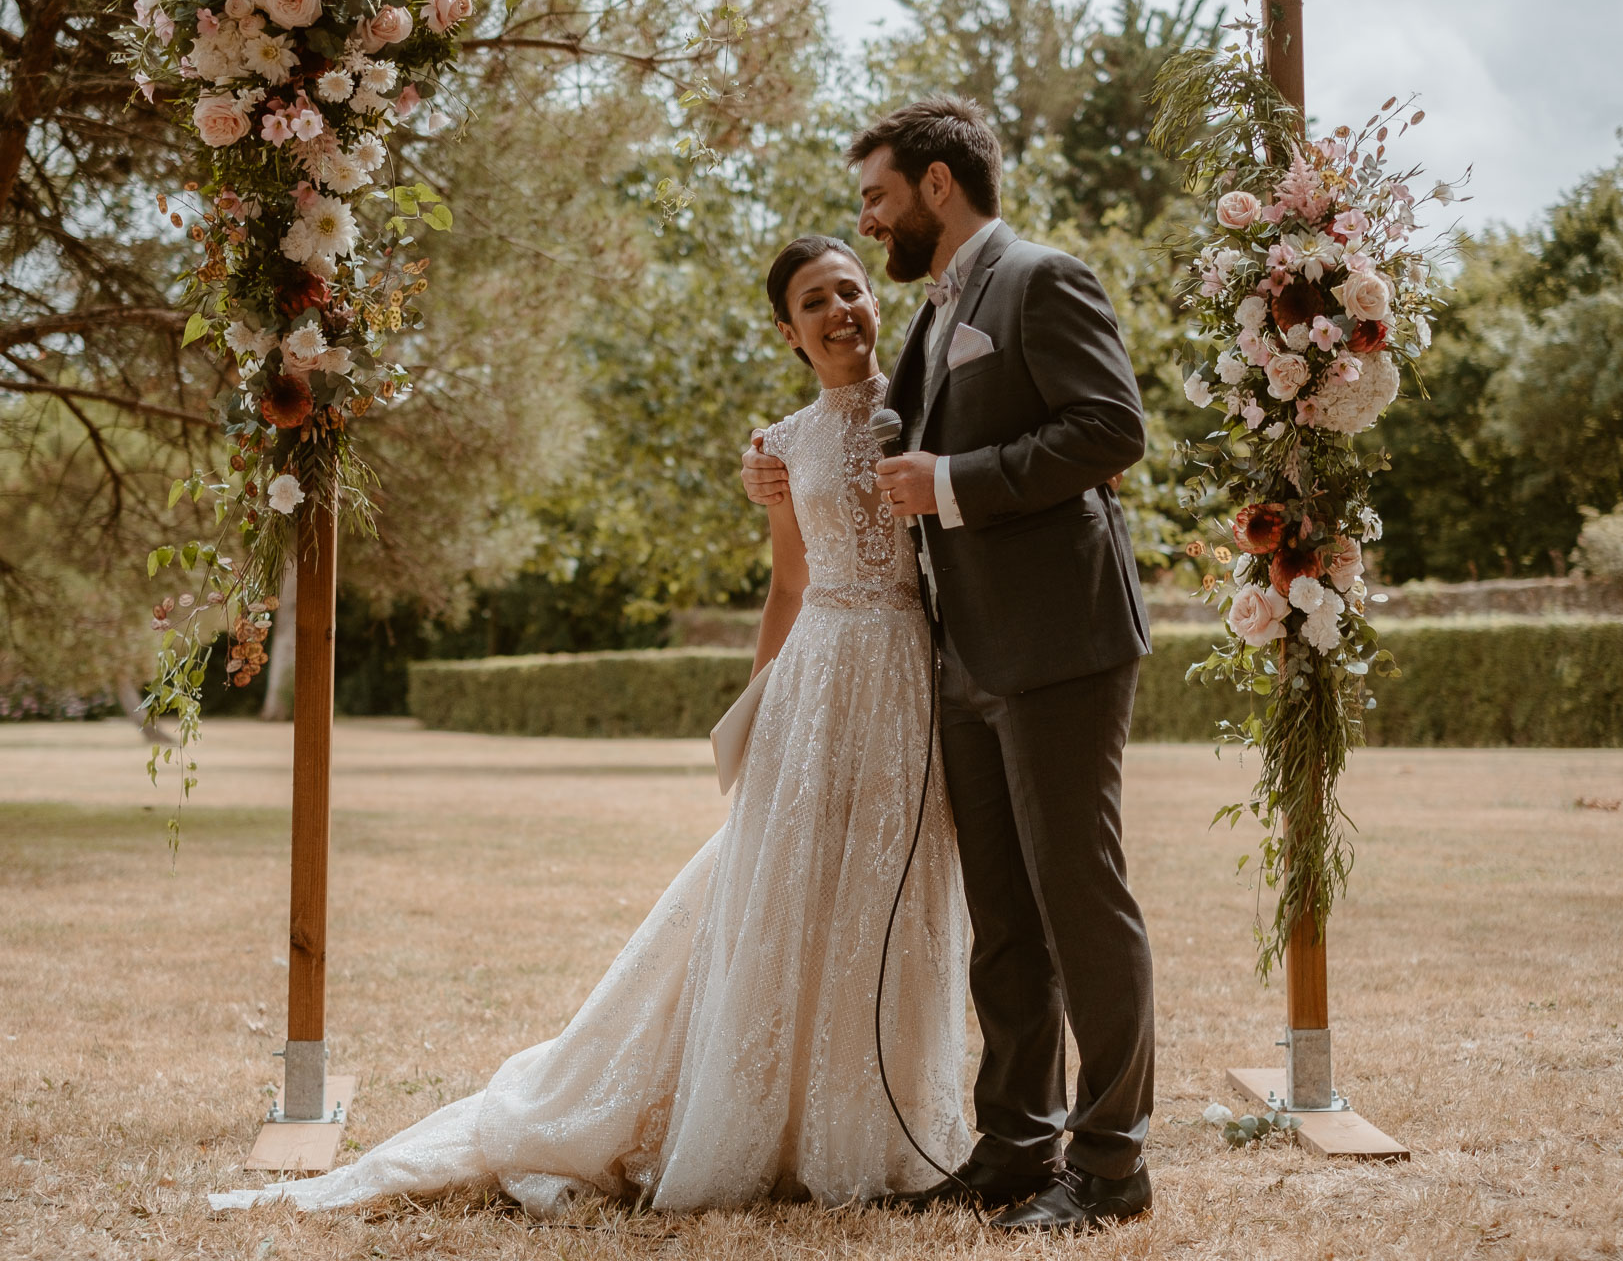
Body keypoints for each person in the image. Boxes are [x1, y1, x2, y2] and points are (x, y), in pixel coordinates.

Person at [210, 235, 970, 1217]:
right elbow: (788, 581)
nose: (837, 311)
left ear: (874, 300)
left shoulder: (932, 413)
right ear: (787, 330)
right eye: (813, 301)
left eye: (849, 290)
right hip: (815, 684)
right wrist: (752, 713)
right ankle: (755, 1116)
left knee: (891, 893)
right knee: (782, 893)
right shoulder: (780, 444)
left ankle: (880, 1125)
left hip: (908, 679)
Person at [743, 94, 1156, 1233]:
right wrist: (775, 459)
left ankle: (1112, 1160)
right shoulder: (934, 315)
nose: (865, 221)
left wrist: (957, 483)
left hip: (1058, 641)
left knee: (1080, 897)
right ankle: (1016, 1142)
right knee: (1005, 917)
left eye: (875, 196)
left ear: (934, 184)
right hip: (961, 655)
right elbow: (874, 431)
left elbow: (1109, 428)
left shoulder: (1039, 277)